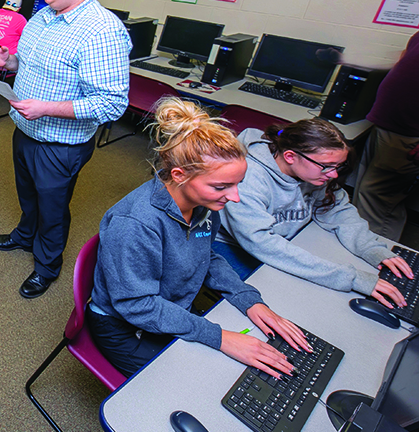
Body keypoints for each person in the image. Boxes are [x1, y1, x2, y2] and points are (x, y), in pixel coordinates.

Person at [88, 98, 310, 377]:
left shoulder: (203, 204)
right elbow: (138, 305)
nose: (235, 197)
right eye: (222, 186)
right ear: (179, 176)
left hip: (171, 308)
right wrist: (221, 338)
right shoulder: (135, 224)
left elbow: (206, 255)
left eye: (237, 184)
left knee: (240, 364)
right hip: (126, 325)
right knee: (205, 378)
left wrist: (248, 299)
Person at [0, 0, 131, 299]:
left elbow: (112, 104)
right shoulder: (44, 15)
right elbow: (32, 65)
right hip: (26, 128)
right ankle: (23, 236)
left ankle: (47, 266)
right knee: (28, 195)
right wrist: (10, 61)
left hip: (59, 143)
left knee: (52, 210)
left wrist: (46, 107)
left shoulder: (102, 31)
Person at [218, 119, 413, 310]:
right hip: (237, 246)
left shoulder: (314, 171)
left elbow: (337, 209)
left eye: (338, 166)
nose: (334, 175)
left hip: (290, 238)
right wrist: (350, 278)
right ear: (290, 157)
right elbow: (262, 243)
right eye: (327, 166)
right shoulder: (248, 179)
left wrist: (370, 248)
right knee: (298, 302)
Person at [353, 30, 419, 242]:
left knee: (379, 200)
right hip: (386, 126)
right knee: (364, 190)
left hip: (407, 136)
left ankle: (378, 259)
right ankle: (357, 242)